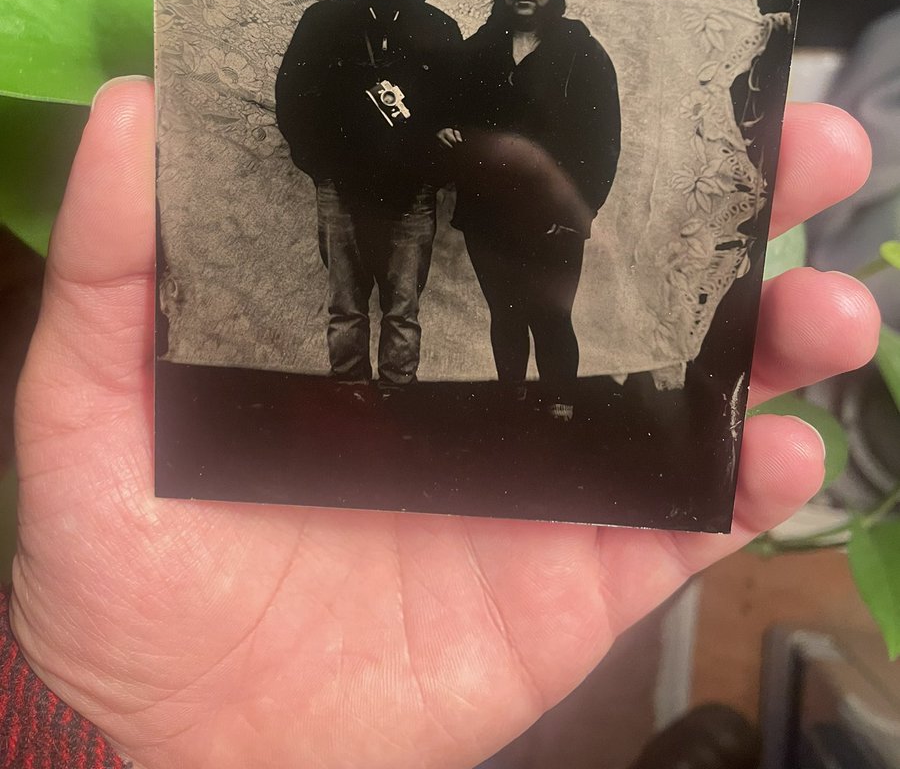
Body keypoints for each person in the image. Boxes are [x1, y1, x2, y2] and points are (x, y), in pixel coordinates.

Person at [0, 78, 881, 767]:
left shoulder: (453, 44)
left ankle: (512, 402)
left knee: (453, 316)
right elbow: (317, 101)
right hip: (386, 197)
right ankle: (385, 397)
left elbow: (543, 137)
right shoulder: (389, 36)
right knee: (364, 305)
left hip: (477, 208)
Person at [275, 0, 462, 387]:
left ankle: (398, 407)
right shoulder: (323, 21)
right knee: (346, 308)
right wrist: (321, 168)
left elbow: (459, 111)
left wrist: (430, 173)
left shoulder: (441, 30)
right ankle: (350, 406)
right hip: (341, 189)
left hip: (411, 196)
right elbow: (292, 98)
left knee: (403, 310)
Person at [438, 0, 620, 419]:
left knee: (552, 315)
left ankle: (560, 403)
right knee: (506, 314)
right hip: (488, 216)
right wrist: (446, 131)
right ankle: (510, 398)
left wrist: (579, 212)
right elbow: (450, 112)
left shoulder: (583, 53)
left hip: (553, 218)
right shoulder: (479, 49)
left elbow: (603, 144)